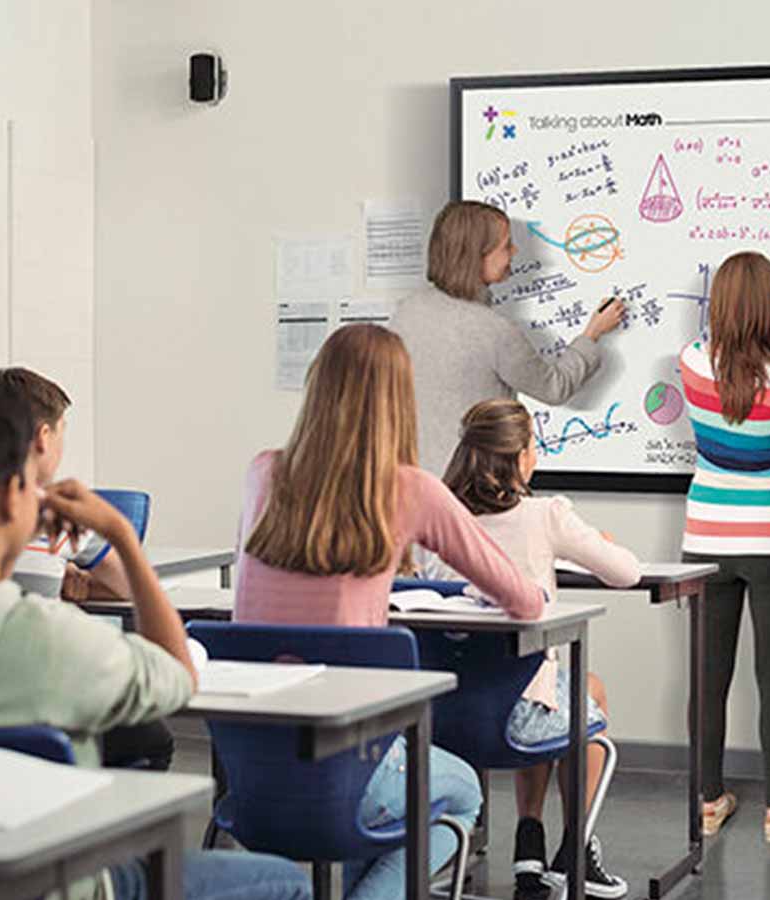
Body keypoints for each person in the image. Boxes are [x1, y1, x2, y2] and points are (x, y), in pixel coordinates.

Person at [0, 371, 309, 900]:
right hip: (61, 889)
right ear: (15, 497)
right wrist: (121, 536)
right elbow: (178, 675)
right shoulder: (52, 641)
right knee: (282, 881)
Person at [234, 323, 545, 900]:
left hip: (251, 771)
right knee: (461, 795)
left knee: (383, 795)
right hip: (353, 762)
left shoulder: (261, 472)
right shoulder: (409, 489)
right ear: (400, 402)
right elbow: (523, 599)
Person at [435, 398, 639, 899]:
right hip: (516, 719)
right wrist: (601, 541)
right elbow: (626, 572)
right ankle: (577, 848)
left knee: (544, 682)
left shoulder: (437, 518)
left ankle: (529, 842)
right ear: (523, 455)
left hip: (442, 719)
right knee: (577, 689)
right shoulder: (545, 514)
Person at [679, 250, 770, 842]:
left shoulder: (690, 363)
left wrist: (761, 325)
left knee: (707, 679)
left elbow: (727, 357)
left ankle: (709, 800)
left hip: (706, 537)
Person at [0, 365, 175, 772]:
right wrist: (115, 541)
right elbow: (129, 587)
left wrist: (68, 584)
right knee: (154, 737)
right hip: (39, 700)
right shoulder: (55, 515)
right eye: (61, 432)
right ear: (43, 437)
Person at [391, 200, 626, 474]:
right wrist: (593, 334)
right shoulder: (493, 331)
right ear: (476, 256)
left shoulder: (407, 311)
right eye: (505, 247)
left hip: (414, 487)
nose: (514, 252)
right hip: (470, 490)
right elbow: (554, 387)